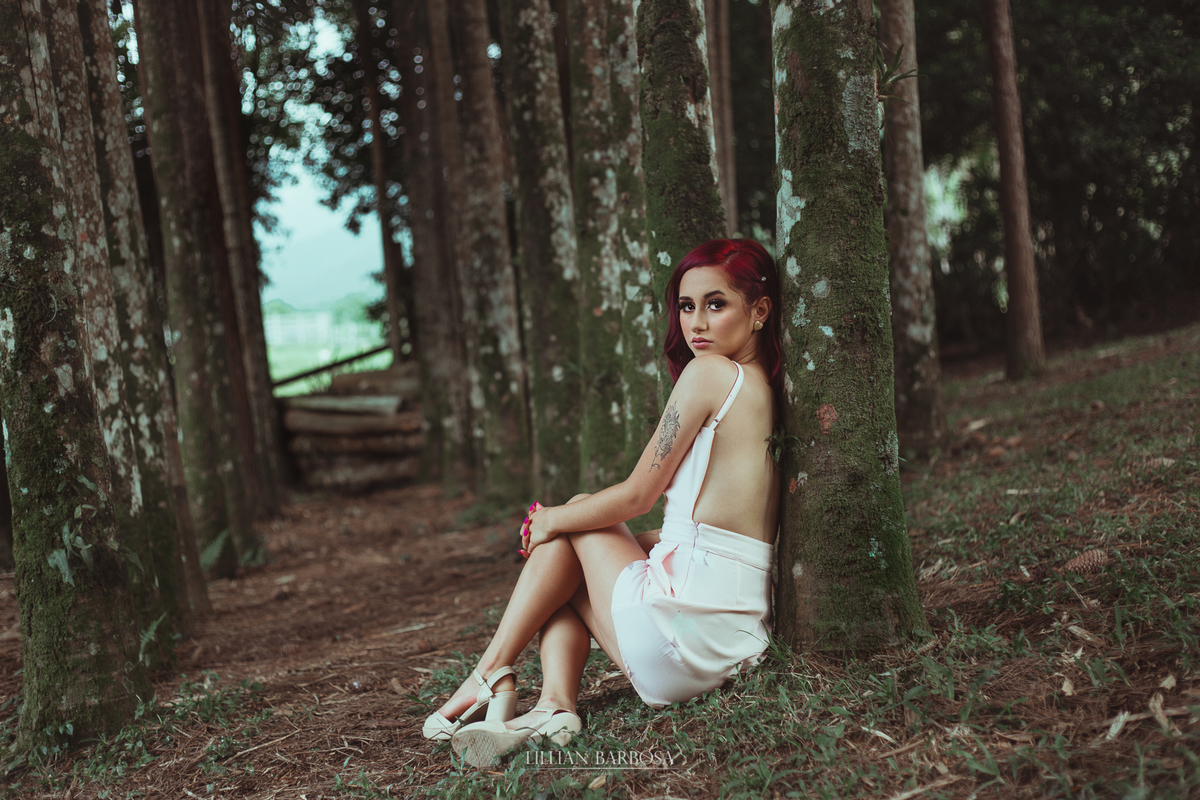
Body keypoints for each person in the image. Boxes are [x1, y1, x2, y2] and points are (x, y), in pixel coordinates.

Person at [420, 238, 783, 768]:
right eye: (686, 307)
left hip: (677, 636)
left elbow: (638, 494)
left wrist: (550, 520)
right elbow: (721, 532)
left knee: (577, 512)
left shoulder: (709, 373)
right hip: (731, 646)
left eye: (716, 303)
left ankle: (492, 673)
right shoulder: (766, 391)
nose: (697, 324)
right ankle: (552, 705)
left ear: (760, 311)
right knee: (567, 564)